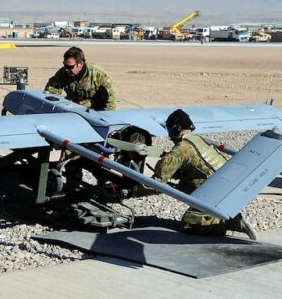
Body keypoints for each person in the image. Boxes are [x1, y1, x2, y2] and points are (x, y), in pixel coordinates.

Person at [142, 109, 258, 240]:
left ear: (175, 129)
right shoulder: (198, 139)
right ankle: (229, 217)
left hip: (214, 195)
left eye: (170, 132)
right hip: (229, 188)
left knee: (189, 224)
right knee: (183, 185)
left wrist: (133, 188)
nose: (169, 137)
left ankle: (225, 223)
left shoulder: (182, 148)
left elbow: (158, 180)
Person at [44, 46, 116, 111]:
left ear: (80, 64)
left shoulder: (98, 75)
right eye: (64, 65)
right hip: (73, 110)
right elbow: (50, 94)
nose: (66, 69)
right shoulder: (63, 73)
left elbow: (110, 102)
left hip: (95, 112)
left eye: (69, 67)